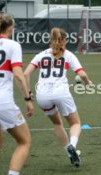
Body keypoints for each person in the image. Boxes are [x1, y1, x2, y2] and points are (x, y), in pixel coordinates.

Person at [24, 27, 92, 167]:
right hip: (61, 93)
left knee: (57, 123)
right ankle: (72, 145)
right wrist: (87, 83)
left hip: (42, 95)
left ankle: (69, 152)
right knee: (75, 123)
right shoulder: (68, 55)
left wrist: (28, 94)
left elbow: (25, 74)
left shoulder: (40, 55)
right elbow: (82, 74)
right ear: (63, 40)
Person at [0, 13, 34, 175]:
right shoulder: (13, 45)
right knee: (25, 141)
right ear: (10, 28)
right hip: (1, 101)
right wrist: (28, 98)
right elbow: (18, 74)